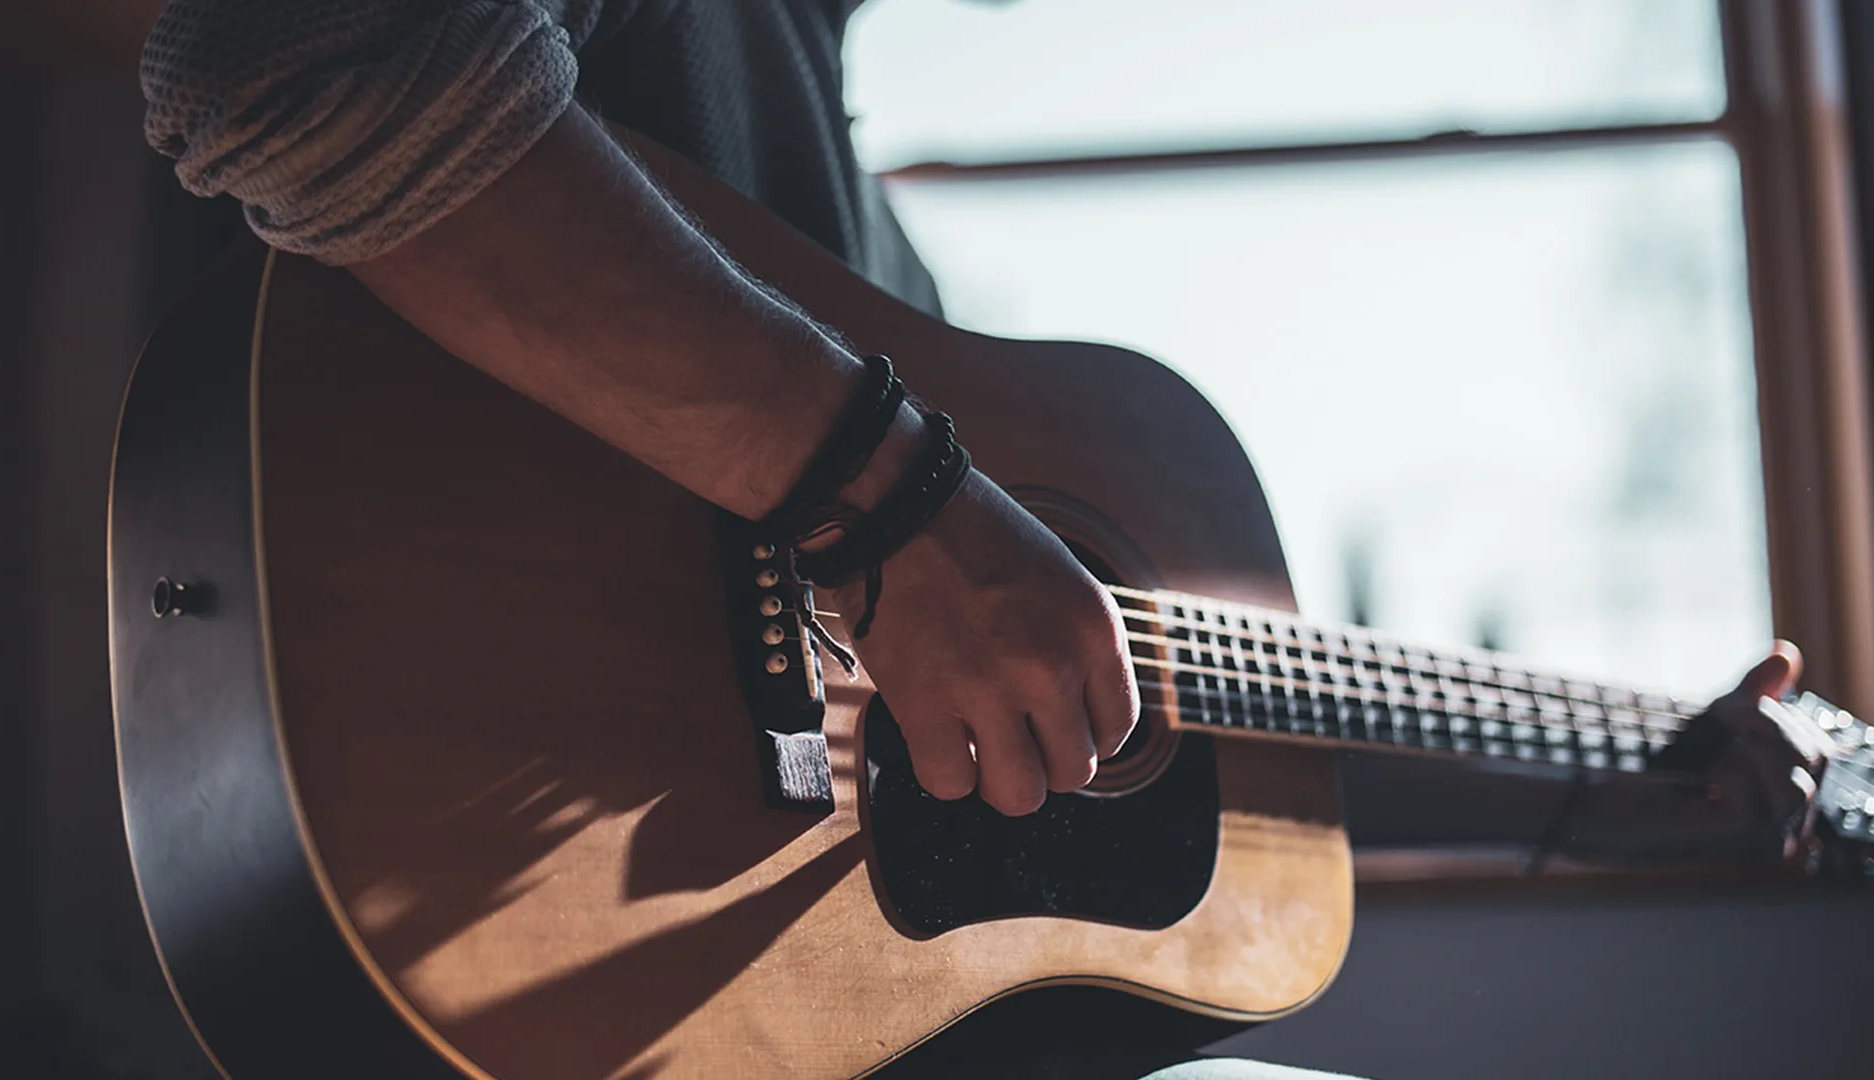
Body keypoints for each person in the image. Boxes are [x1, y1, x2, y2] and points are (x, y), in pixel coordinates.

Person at [138, 3, 1835, 1078]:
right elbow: (297, 54)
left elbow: (1167, 726)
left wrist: (1613, 767)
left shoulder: (862, 229)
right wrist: (893, 510)